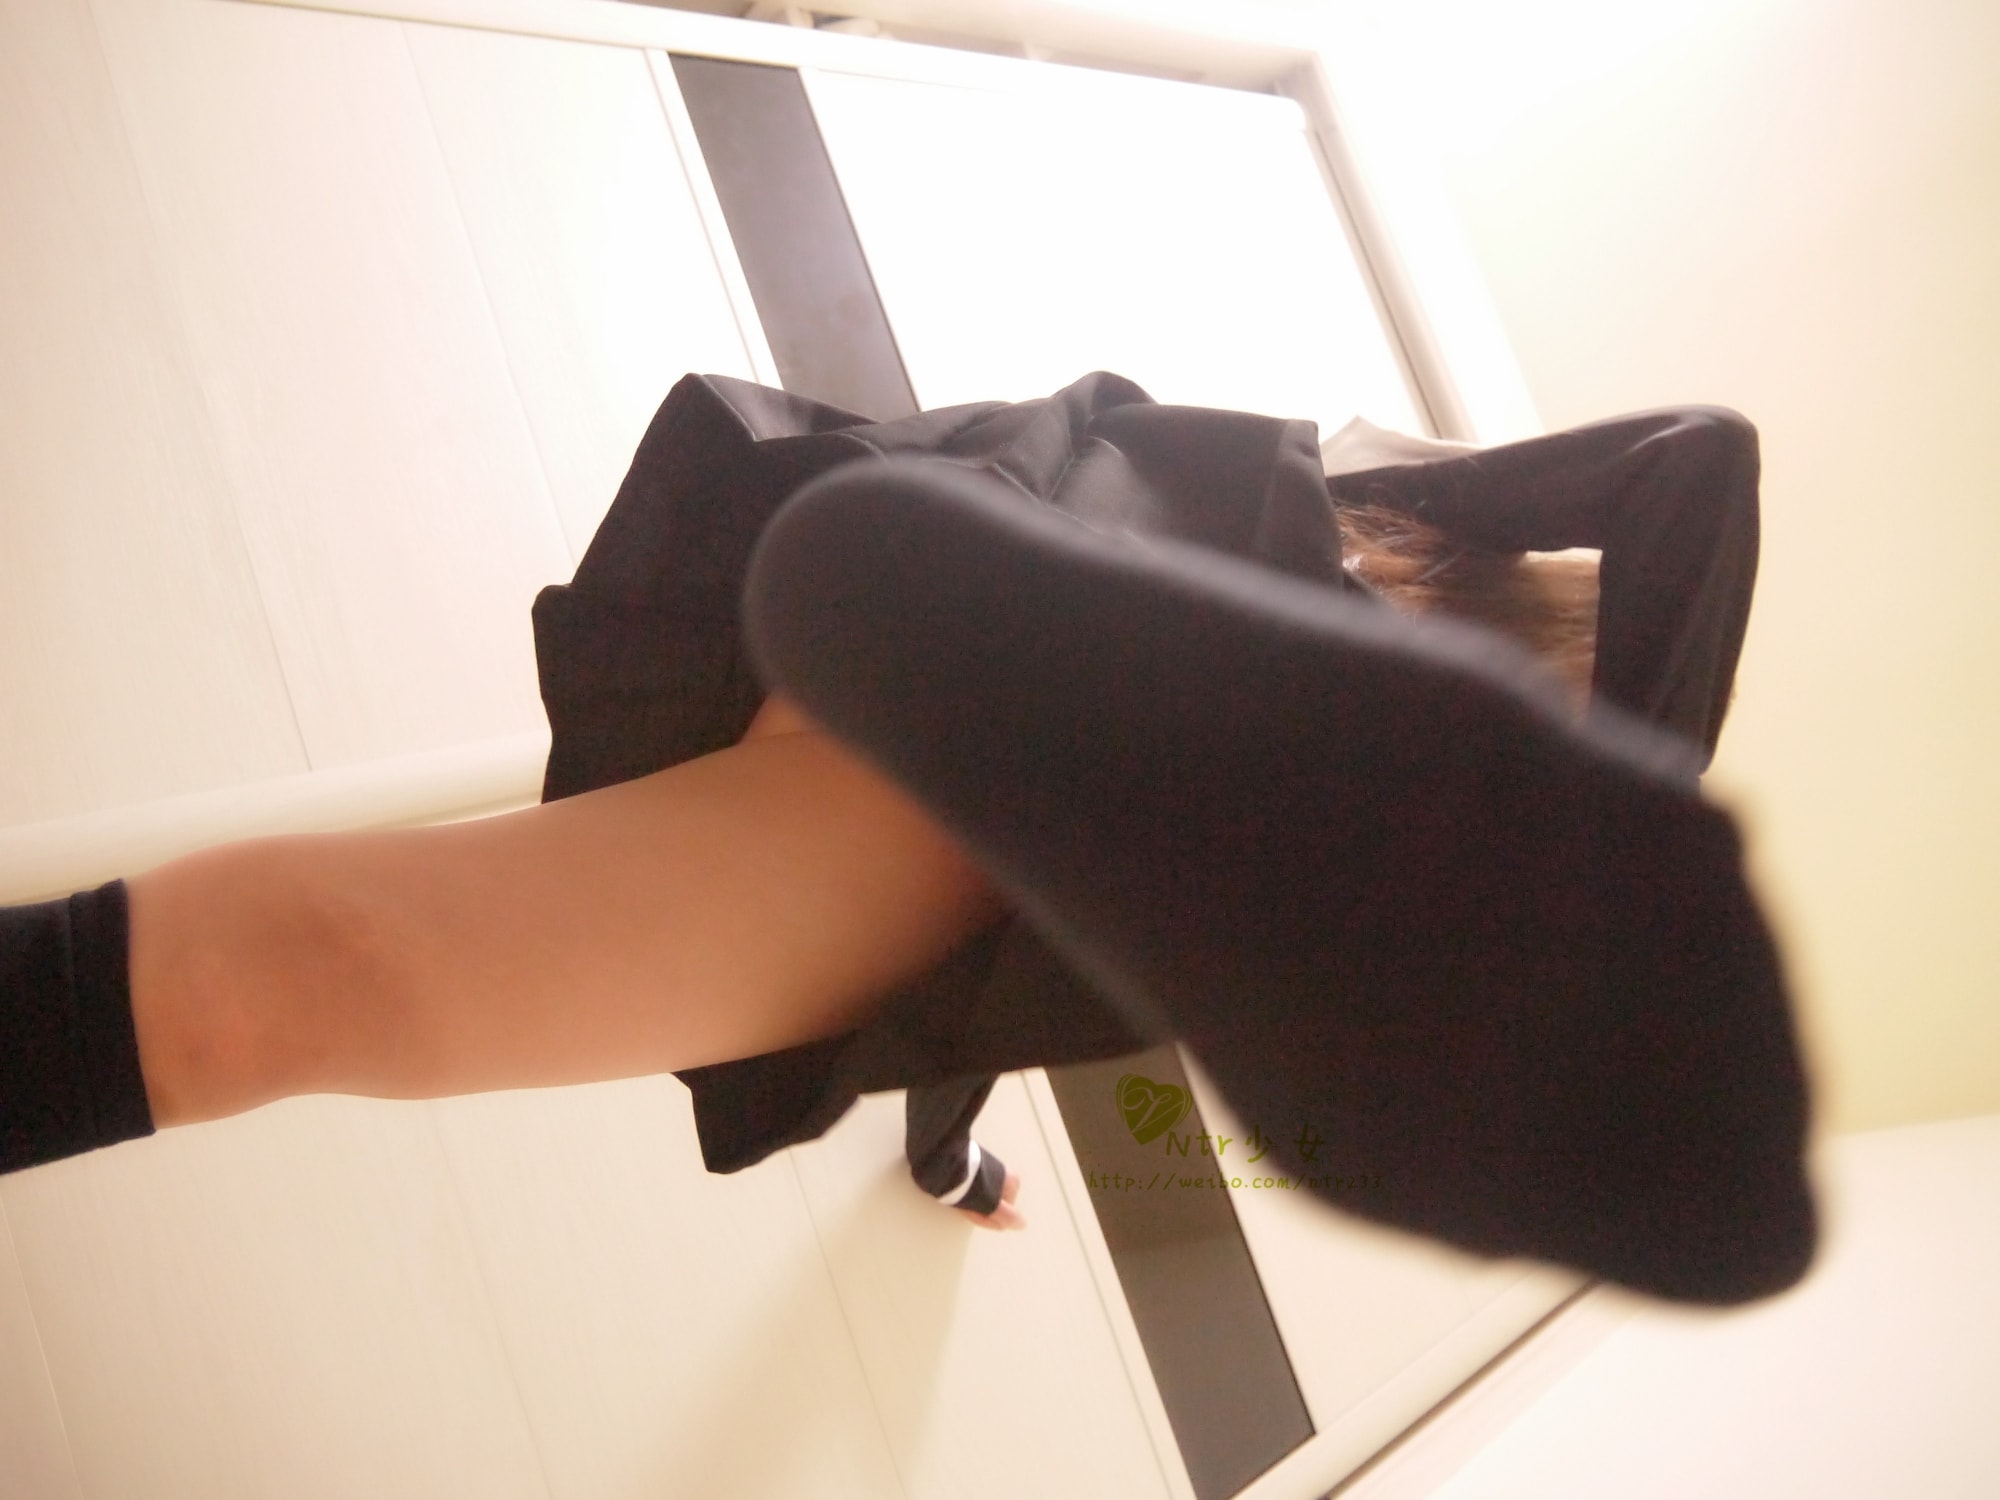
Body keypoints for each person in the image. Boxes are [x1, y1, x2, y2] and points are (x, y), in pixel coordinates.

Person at [0, 373, 1813, 1303]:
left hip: (996, 624)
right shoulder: (1369, 664)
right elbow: (1706, 459)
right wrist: (1600, 819)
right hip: (1036, 683)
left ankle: (1086, 668)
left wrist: (949, 1166)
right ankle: (1144, 674)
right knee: (278, 990)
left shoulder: (1259, 847)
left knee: (280, 987)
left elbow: (999, 1011)